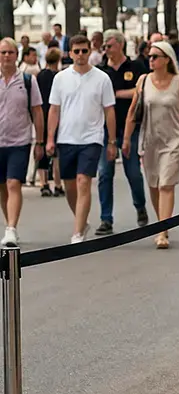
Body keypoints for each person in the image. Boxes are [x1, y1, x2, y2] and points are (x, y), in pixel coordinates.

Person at [123, 40, 179, 249]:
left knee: (166, 183)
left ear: (167, 59)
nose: (151, 60)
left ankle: (162, 231)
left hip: (173, 140)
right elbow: (133, 112)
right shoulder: (143, 81)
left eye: (155, 56)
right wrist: (125, 139)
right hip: (149, 140)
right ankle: (161, 223)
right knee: (154, 184)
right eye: (149, 56)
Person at [47, 34, 117, 244]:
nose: (80, 55)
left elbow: (109, 111)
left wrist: (112, 141)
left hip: (92, 138)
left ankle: (77, 233)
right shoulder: (60, 78)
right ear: (70, 53)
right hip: (66, 138)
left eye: (84, 51)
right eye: (76, 51)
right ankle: (82, 220)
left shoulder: (102, 78)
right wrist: (49, 138)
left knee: (83, 181)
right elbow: (54, 110)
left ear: (90, 52)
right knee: (70, 186)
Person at [96, 29, 149, 235]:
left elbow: (141, 89)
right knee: (104, 173)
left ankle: (140, 206)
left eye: (109, 46)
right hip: (106, 128)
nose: (106, 50)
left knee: (133, 172)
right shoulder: (101, 70)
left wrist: (115, 94)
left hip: (131, 127)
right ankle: (105, 218)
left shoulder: (135, 67)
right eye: (104, 47)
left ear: (119, 44)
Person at [0, 38, 44, 247]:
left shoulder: (27, 80)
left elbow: (37, 110)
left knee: (13, 183)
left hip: (20, 141)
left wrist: (40, 141)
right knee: (2, 187)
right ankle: (9, 222)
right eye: (3, 52)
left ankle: (11, 228)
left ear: (16, 56)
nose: (6, 56)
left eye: (10, 52)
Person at [36, 47, 63, 197]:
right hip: (56, 115)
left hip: (42, 114)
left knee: (42, 147)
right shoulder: (59, 77)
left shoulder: (40, 76)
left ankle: (43, 183)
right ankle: (58, 184)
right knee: (56, 151)